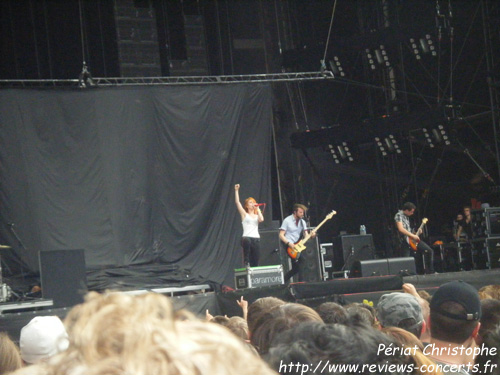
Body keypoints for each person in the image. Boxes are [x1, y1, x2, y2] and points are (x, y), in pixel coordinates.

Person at [394, 202, 434, 274]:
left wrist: (416, 232)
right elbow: (401, 229)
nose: (412, 213)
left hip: (411, 238)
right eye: (411, 211)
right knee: (406, 259)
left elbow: (408, 230)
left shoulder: (406, 217)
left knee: (429, 250)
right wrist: (413, 236)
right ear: (406, 210)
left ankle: (430, 271)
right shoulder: (398, 215)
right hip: (404, 240)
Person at [279, 203, 315, 282]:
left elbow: (306, 236)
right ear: (295, 212)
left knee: (296, 268)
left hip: (297, 244)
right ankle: (301, 283)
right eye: (300, 212)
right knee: (303, 261)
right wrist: (288, 243)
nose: (302, 214)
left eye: (303, 212)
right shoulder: (287, 220)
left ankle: (284, 280)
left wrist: (311, 235)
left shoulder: (303, 222)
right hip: (288, 245)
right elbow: (281, 235)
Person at [234, 184, 264, 267]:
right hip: (246, 237)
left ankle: (254, 271)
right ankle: (246, 261)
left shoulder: (257, 214)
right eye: (250, 202)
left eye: (253, 202)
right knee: (247, 240)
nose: (252, 204)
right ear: (247, 205)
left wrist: (257, 210)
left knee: (256, 260)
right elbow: (237, 203)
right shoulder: (244, 214)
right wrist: (236, 190)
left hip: (256, 238)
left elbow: (261, 219)